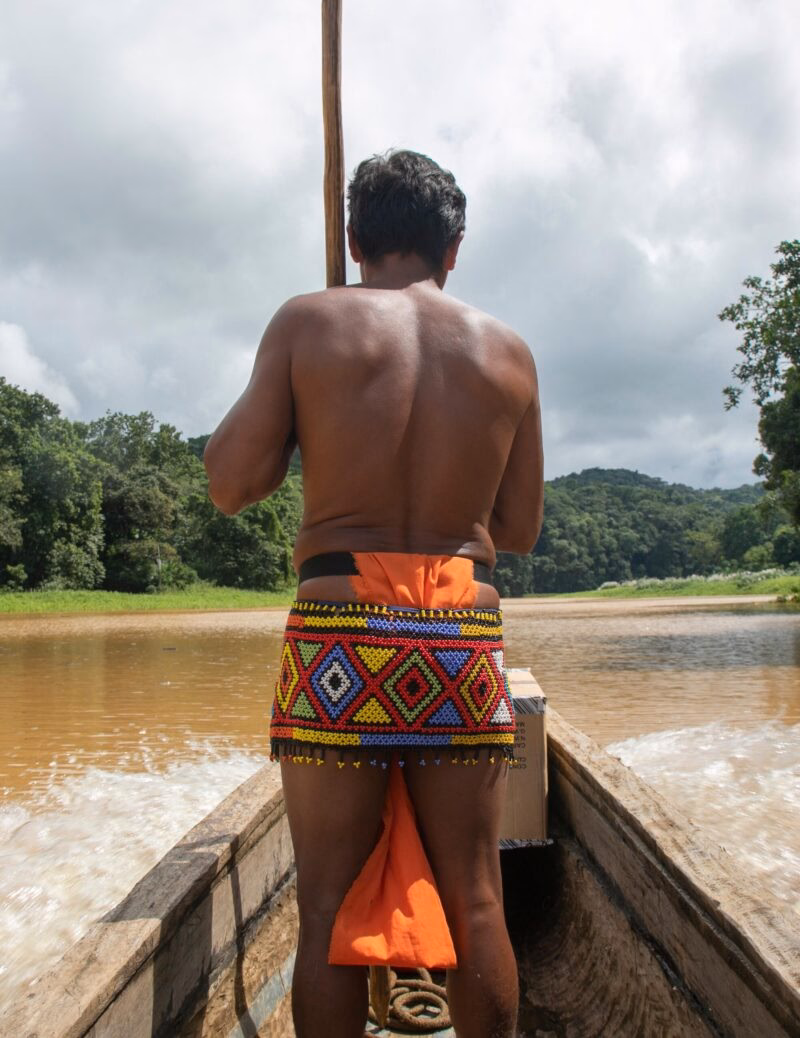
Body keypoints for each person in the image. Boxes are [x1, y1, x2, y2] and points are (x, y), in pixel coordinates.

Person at [204, 149, 543, 1038]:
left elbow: (231, 484)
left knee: (327, 903)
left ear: (354, 240)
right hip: (458, 634)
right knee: (476, 899)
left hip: (341, 634)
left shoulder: (307, 322)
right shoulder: (508, 352)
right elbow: (518, 528)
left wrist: (303, 407)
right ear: (453, 250)